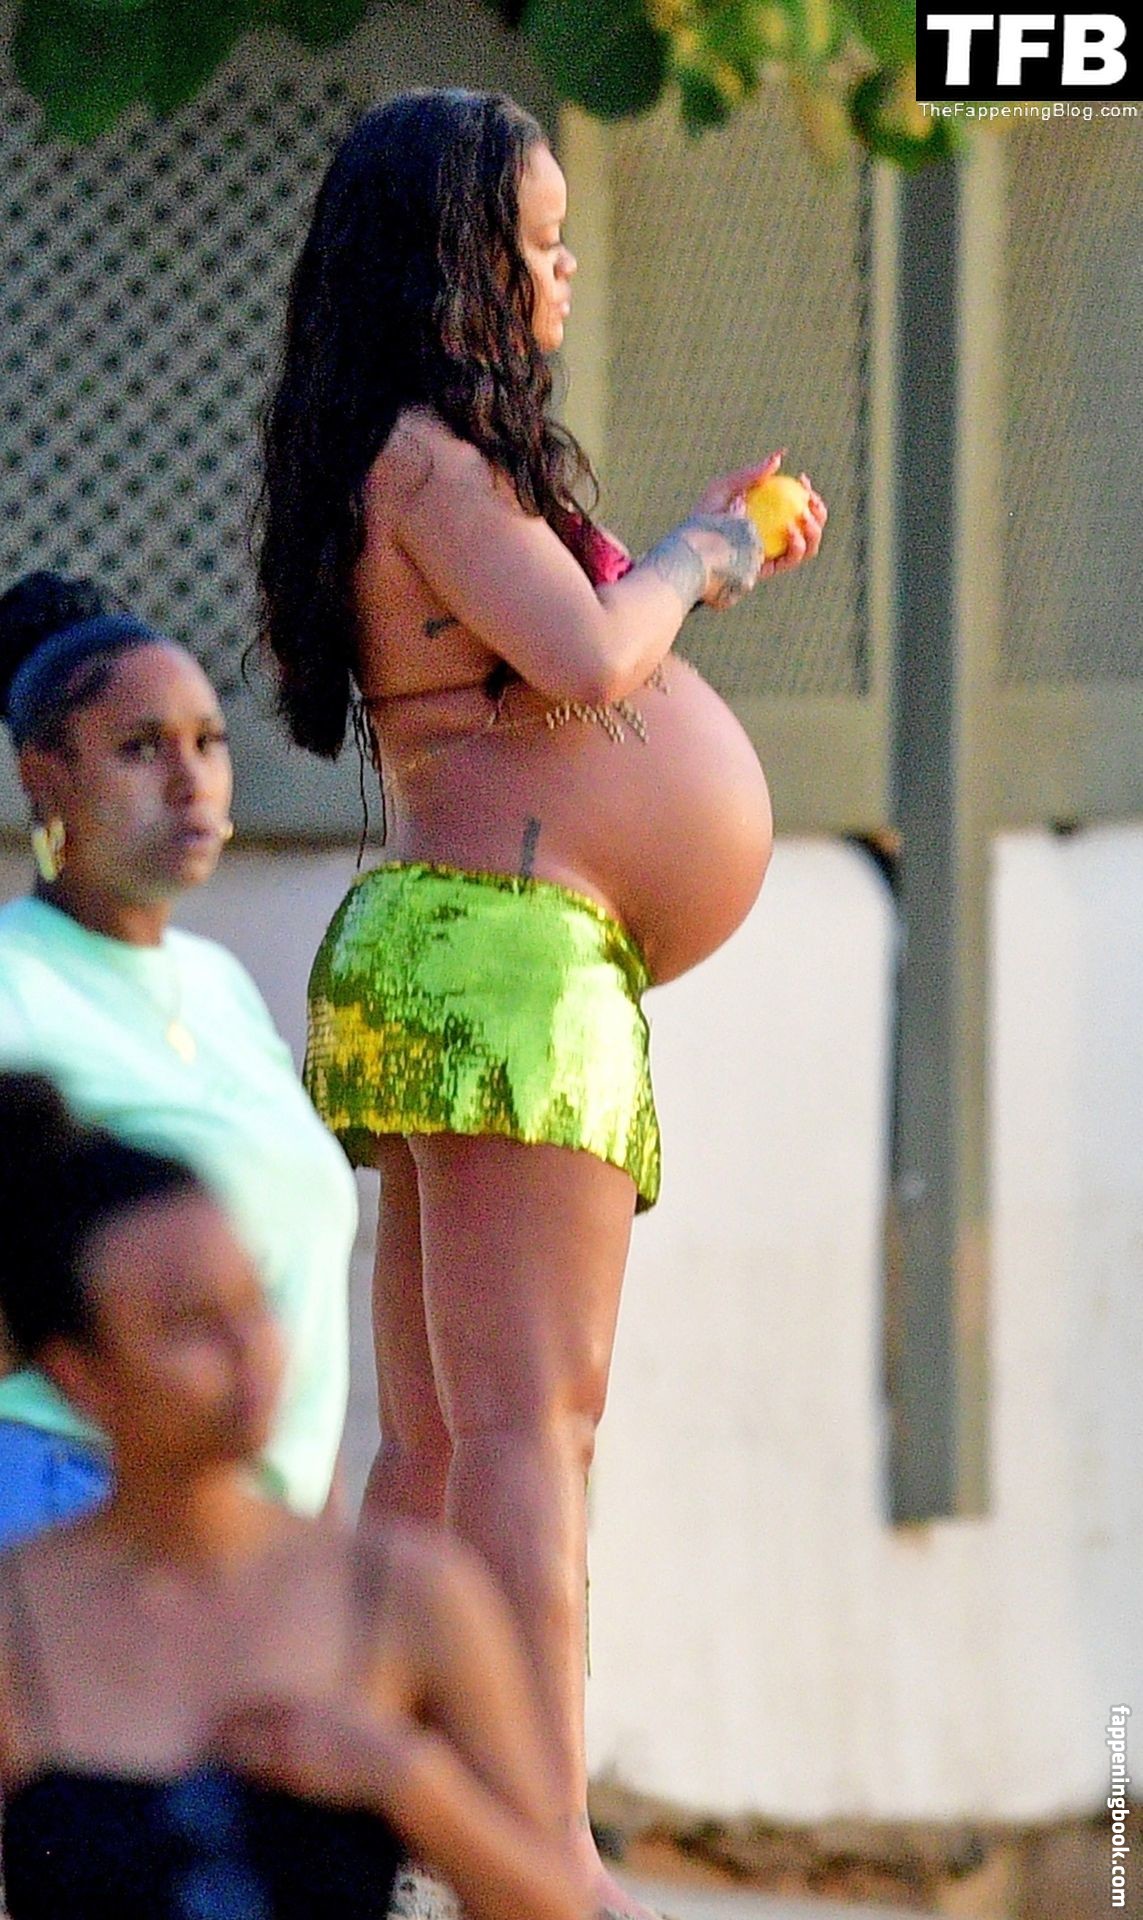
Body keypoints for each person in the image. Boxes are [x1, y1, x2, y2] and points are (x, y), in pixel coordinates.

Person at [258, 88, 827, 1916]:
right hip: (508, 964)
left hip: (443, 947)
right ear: (451, 265)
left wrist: (686, 550)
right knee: (525, 1437)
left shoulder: (398, 458)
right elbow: (584, 655)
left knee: (437, 1440)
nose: (563, 270)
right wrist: (705, 553)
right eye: (535, 240)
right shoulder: (431, 459)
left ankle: (355, 1826)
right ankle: (541, 1853)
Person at [0, 1071, 589, 1920]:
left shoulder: (408, 1592)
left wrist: (411, 1781)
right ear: (78, 1375)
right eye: (190, 1325)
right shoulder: (20, 1617)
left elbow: (558, 1907)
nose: (248, 1352)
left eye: (255, 1304)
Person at [0, 570, 358, 1545]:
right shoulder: (15, 984)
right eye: (139, 748)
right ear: (44, 779)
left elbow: (302, 1315)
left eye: (209, 741)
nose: (189, 778)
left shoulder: (219, 986)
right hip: (72, 1513)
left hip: (250, 1544)